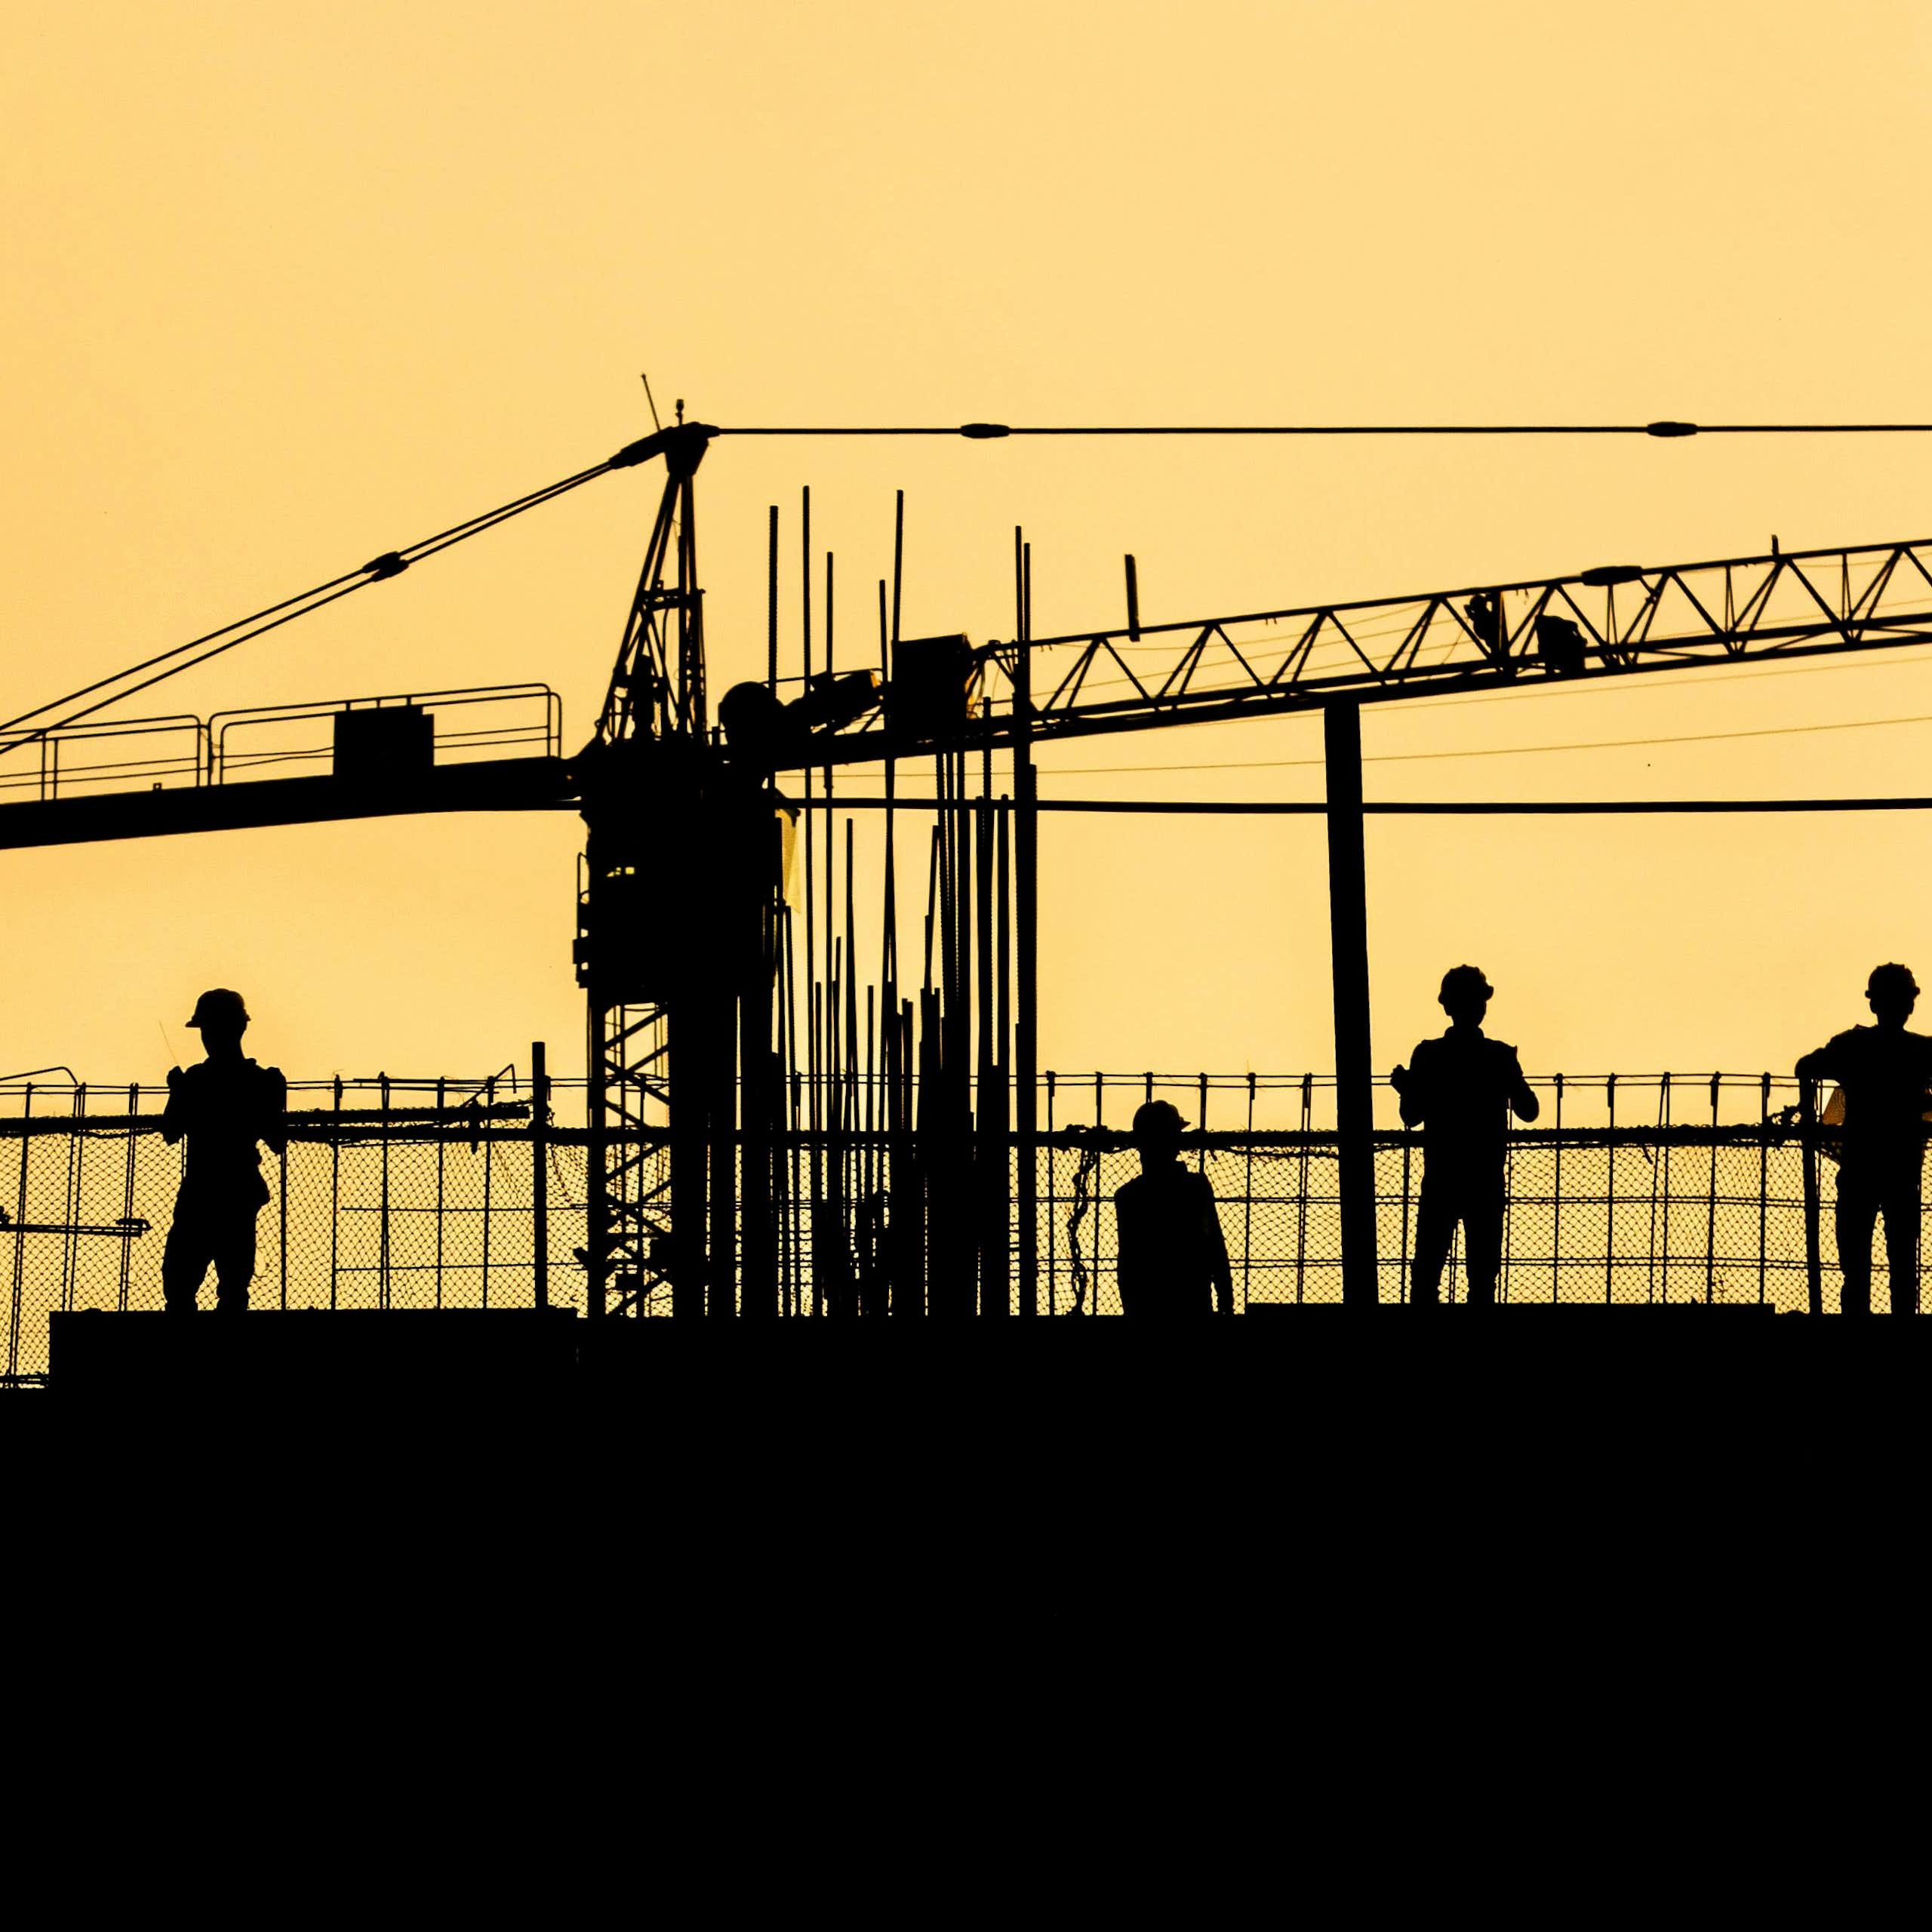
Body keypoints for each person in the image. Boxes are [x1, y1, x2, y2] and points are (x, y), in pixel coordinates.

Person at [1392, 965, 1539, 1306]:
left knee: (1426, 1275)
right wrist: (1510, 1077)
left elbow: (1410, 1117)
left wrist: (1407, 1089)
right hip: (1485, 1179)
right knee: (1483, 1279)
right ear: (1481, 1006)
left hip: (1441, 1178)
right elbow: (1529, 1111)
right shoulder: (1499, 1056)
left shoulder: (1428, 1055)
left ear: (1447, 1006)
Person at [1795, 963, 1932, 1315]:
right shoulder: (1923, 1053)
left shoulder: (1853, 1046)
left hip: (1860, 1167)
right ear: (1910, 1004)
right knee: (1903, 1260)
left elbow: (1806, 1067)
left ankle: (1856, 1317)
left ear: (1874, 1004)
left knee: (1855, 1261)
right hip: (1901, 1169)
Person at [160, 989, 287, 1315]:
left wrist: (179, 1093)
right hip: (234, 1191)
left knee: (188, 1283)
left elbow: (171, 1132)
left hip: (206, 1192)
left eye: (211, 1028)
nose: (208, 1036)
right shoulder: (259, 1081)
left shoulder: (198, 1081)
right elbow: (277, 1140)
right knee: (220, 1284)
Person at [1113, 1100, 1235, 1318]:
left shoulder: (1128, 1196)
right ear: (1174, 1142)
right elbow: (1215, 1248)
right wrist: (1226, 1299)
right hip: (1193, 1303)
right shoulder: (1195, 1188)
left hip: (1148, 1306)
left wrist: (1131, 1308)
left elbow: (1128, 1265)